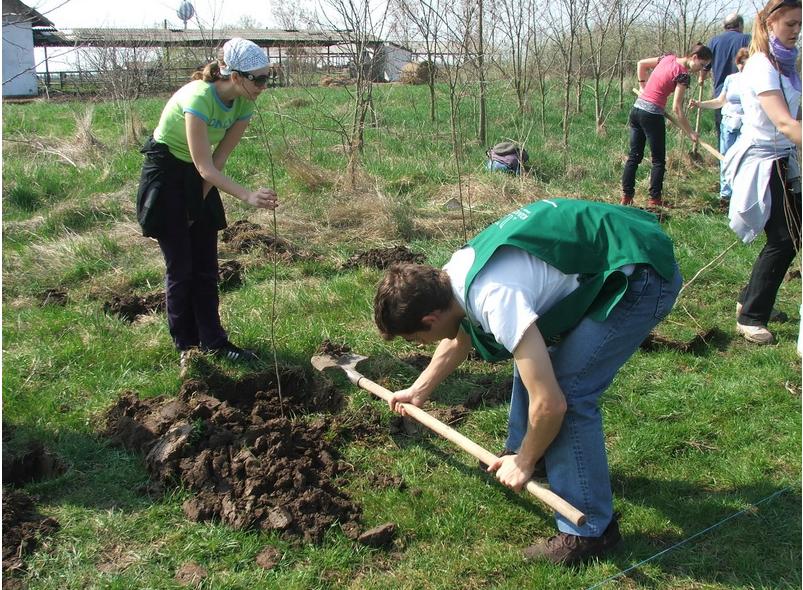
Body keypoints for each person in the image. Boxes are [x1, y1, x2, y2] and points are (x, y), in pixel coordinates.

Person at [374, 199, 683, 565]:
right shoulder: (452, 278)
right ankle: (535, 457)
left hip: (642, 273)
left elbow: (551, 403)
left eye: (415, 339)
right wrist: (419, 390)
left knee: (568, 389)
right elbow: (461, 338)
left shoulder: (495, 298)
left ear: (429, 317)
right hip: (614, 247)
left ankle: (589, 532)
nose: (422, 346)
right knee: (535, 361)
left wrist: (523, 459)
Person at [136, 38, 278, 371]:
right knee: (181, 268)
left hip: (202, 177)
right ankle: (187, 347)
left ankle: (215, 342)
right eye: (258, 79)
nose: (263, 86)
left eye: (268, 78)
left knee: (206, 268)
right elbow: (204, 166)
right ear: (235, 75)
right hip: (167, 172)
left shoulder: (244, 105)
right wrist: (247, 195)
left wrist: (195, 208)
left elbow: (219, 159)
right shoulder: (198, 97)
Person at [722, 0, 802, 345]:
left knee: (791, 236)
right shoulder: (761, 66)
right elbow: (784, 122)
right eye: (790, 25)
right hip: (764, 162)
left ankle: (749, 297)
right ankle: (752, 315)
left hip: (783, 159)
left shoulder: (787, 66)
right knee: (785, 238)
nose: (796, 32)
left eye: (800, 26)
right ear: (769, 24)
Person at [621, 44, 712, 208]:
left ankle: (627, 197)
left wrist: (643, 86)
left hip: (636, 110)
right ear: (694, 57)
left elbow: (641, 63)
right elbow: (676, 107)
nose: (700, 69)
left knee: (634, 156)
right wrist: (690, 132)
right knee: (658, 161)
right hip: (652, 115)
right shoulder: (683, 75)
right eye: (701, 65)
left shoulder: (667, 58)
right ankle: (654, 200)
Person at [689, 48, 749, 206]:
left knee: (742, 160)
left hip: (746, 126)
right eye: (741, 62)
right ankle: (725, 195)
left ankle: (741, 195)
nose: (743, 66)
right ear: (737, 63)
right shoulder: (730, 79)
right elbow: (720, 101)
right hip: (728, 123)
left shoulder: (756, 80)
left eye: (747, 62)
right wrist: (699, 104)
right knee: (725, 158)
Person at [705, 13, 751, 141]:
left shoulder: (714, 41)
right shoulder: (747, 39)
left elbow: (705, 66)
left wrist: (701, 77)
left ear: (725, 26)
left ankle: (723, 160)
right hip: (743, 96)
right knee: (743, 137)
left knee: (723, 135)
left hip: (720, 95)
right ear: (740, 25)